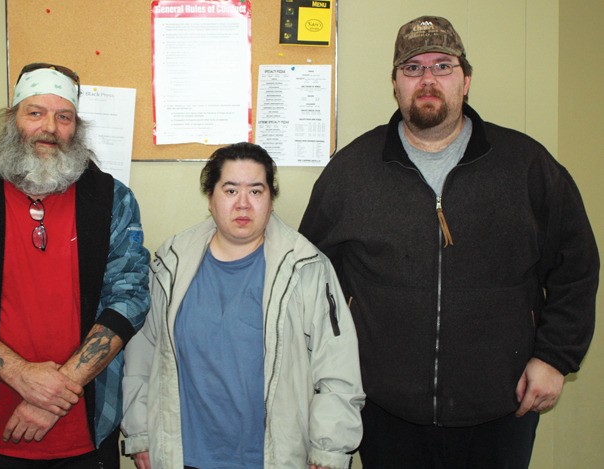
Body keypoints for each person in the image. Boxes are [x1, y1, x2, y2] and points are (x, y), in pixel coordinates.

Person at [299, 15, 599, 469]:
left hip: (502, 408)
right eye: (413, 68)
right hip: (384, 410)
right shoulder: (351, 172)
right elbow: (311, 279)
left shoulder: (526, 166)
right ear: (395, 83)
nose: (427, 80)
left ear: (466, 81)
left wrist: (554, 358)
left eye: (443, 66)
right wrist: (329, 376)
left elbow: (576, 267)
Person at [0, 62, 150, 468]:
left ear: (77, 127)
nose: (50, 128)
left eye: (64, 117)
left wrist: (55, 393)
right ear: (11, 119)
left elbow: (130, 297)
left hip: (88, 429)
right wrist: (20, 375)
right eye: (35, 112)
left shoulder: (112, 200)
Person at [121, 142, 364, 469]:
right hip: (184, 457)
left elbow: (337, 368)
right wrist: (139, 433)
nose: (243, 204)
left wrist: (329, 451)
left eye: (256, 191)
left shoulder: (306, 268)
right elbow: (142, 353)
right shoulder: (171, 263)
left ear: (271, 199)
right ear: (211, 198)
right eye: (231, 190)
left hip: (271, 460)